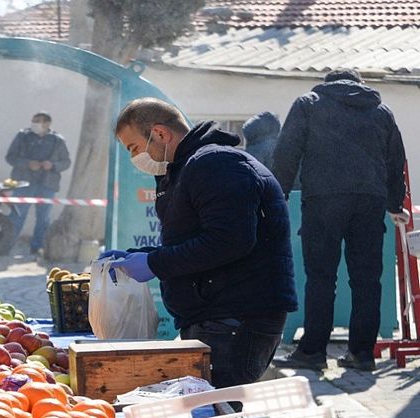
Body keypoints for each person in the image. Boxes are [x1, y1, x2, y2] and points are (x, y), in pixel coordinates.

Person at [100, 98, 297, 390]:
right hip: (216, 315)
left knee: (220, 413)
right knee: (210, 411)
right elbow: (197, 242)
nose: (135, 158)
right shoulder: (185, 170)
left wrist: (154, 264)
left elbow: (230, 240)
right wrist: (142, 257)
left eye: (134, 148)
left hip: (234, 318)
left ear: (160, 134)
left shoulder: (215, 164)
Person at [271, 69, 408, 372]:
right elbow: (396, 158)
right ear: (359, 84)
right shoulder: (380, 111)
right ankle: (362, 354)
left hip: (323, 199)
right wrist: (395, 202)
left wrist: (276, 193)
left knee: (321, 276)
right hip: (369, 201)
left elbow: (287, 151)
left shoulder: (309, 103)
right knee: (367, 279)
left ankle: (313, 352)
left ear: (328, 82)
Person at [5, 111, 71, 255]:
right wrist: (27, 164)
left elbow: (66, 162)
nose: (34, 124)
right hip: (24, 183)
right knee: (17, 215)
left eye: (38, 121)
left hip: (47, 184)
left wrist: (52, 165)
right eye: (33, 121)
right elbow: (10, 157)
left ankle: (37, 247)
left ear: (47, 123)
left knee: (43, 218)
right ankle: (6, 245)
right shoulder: (22, 136)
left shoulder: (57, 140)